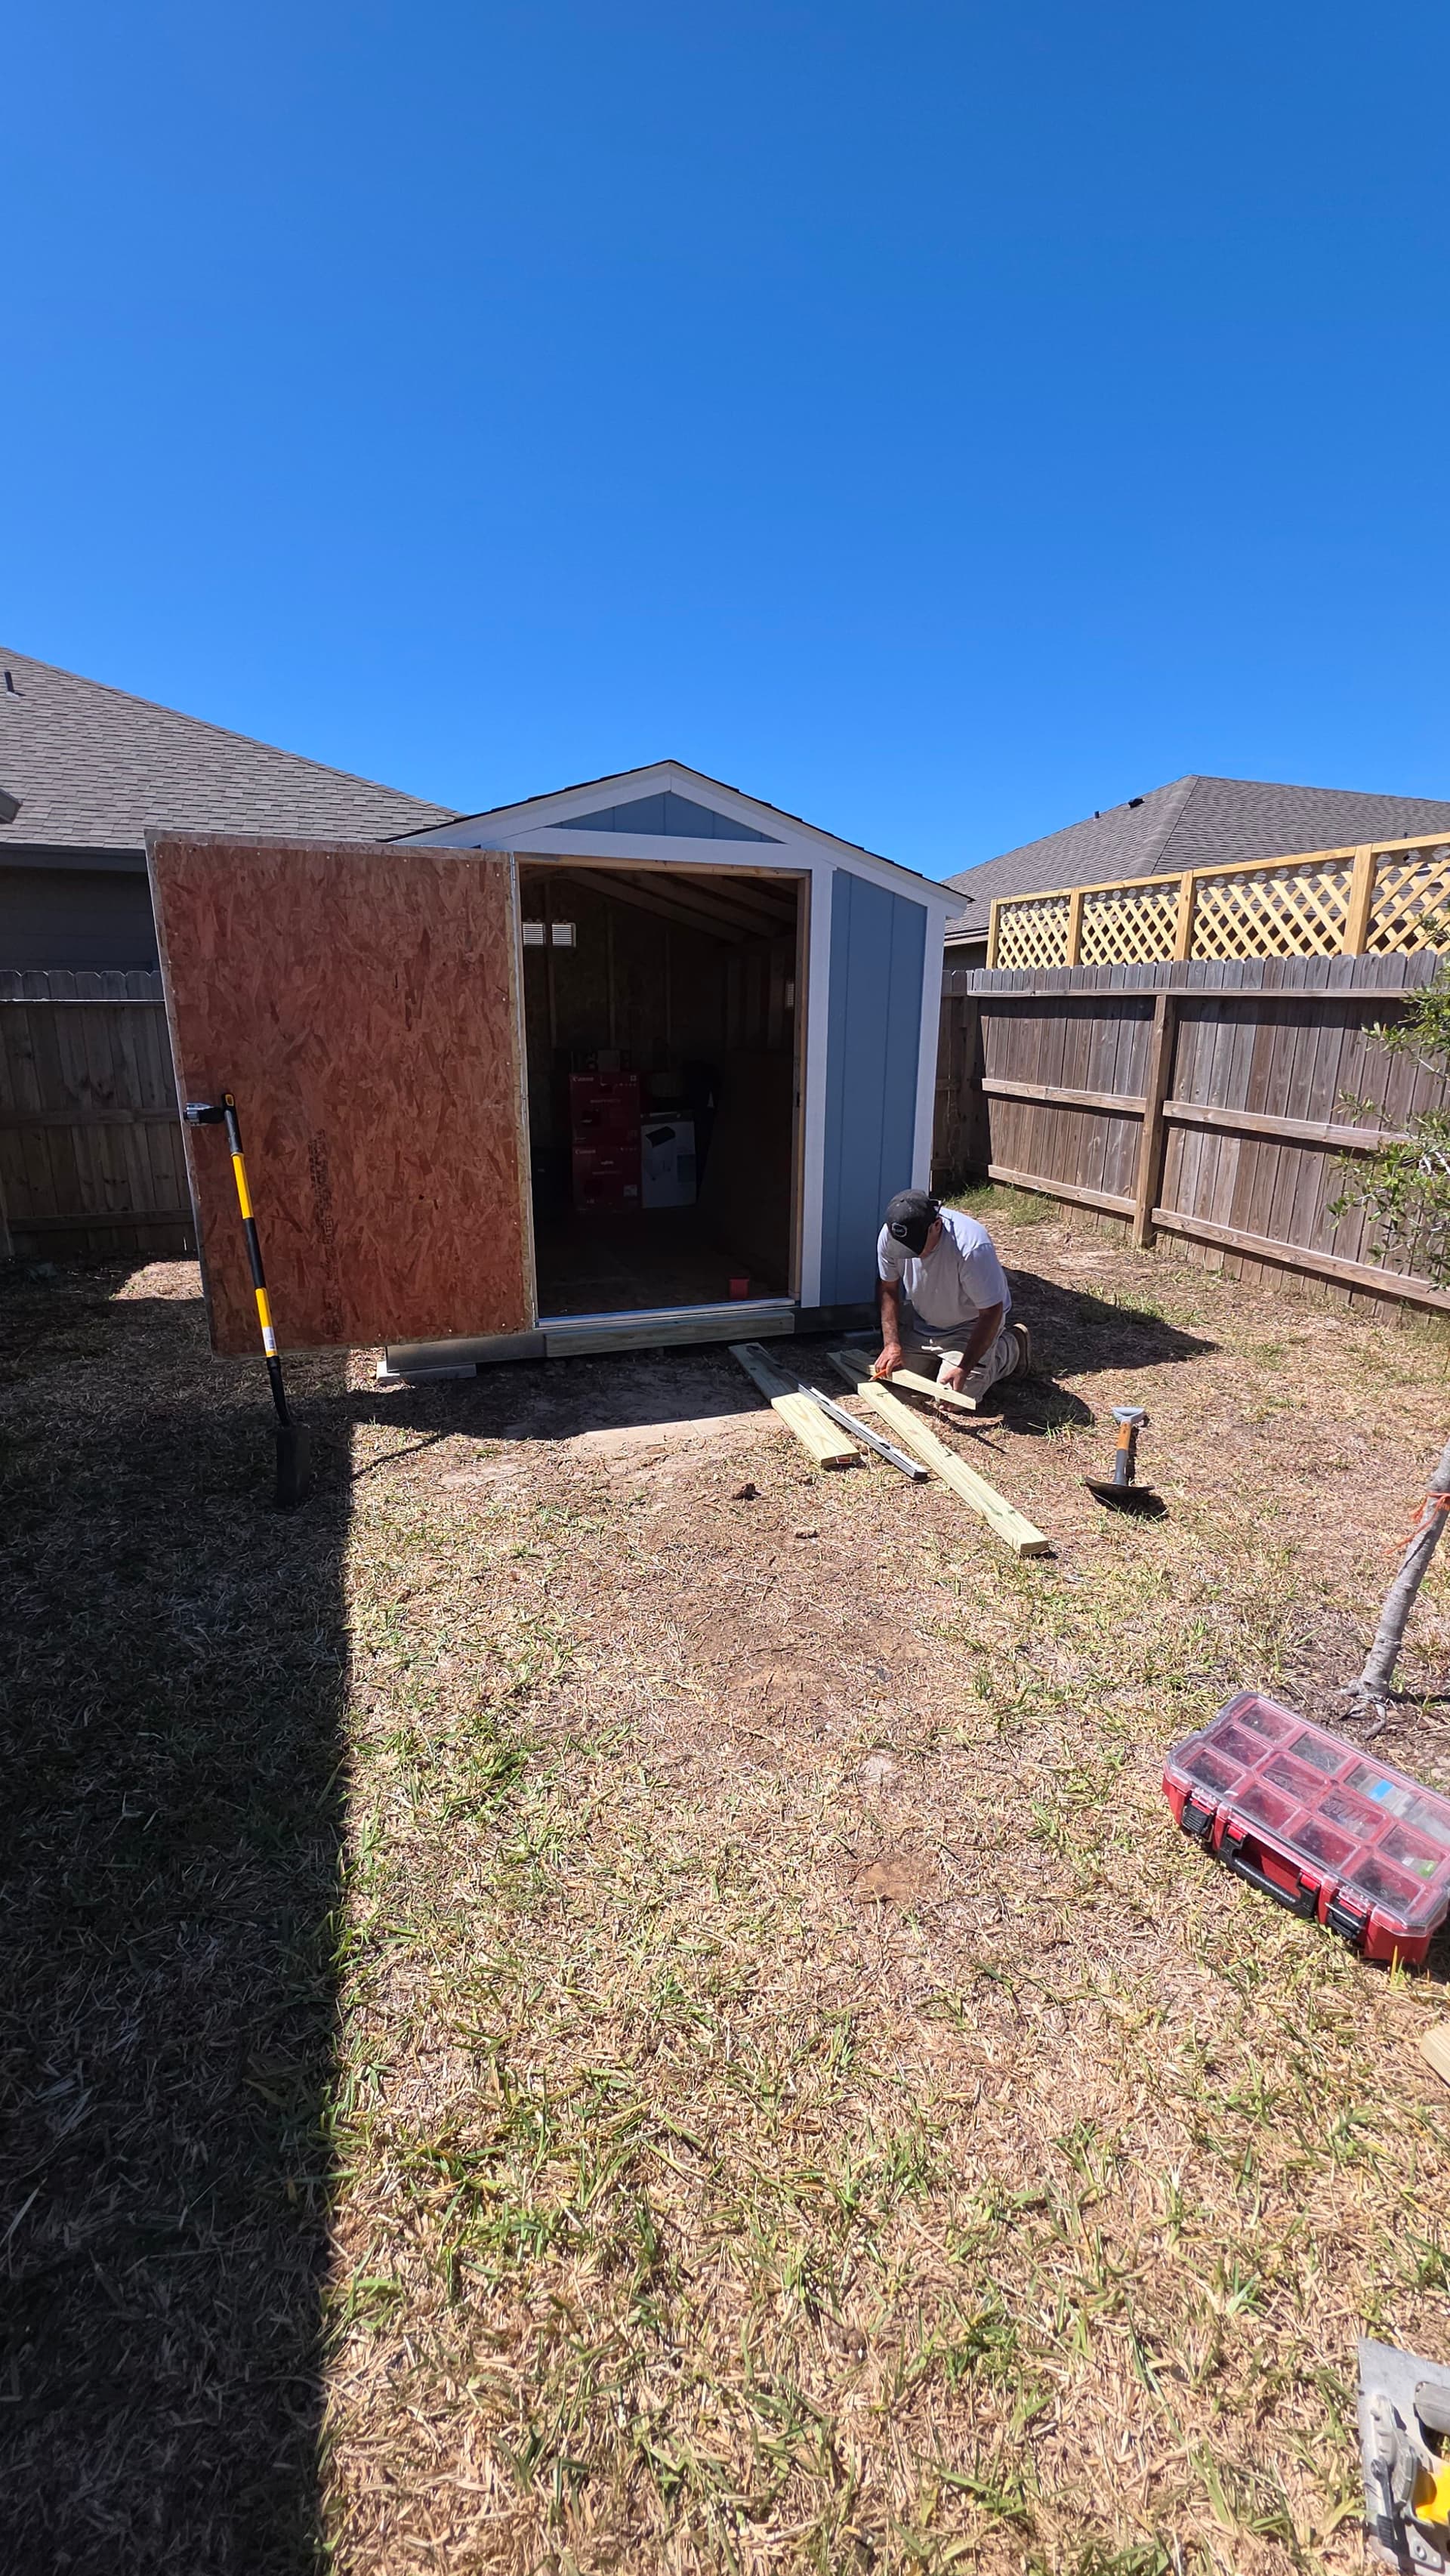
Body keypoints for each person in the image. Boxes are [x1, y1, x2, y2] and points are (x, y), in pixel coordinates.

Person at [872, 1188, 1030, 1399]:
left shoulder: (971, 1247)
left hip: (970, 1324)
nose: (908, 1253)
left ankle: (1011, 1348)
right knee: (897, 1379)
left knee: (957, 1397)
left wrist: (965, 1367)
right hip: (925, 1321)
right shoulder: (892, 1235)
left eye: (915, 1247)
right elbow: (888, 1289)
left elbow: (991, 1312)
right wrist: (891, 1344)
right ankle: (939, 1360)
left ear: (936, 1226)